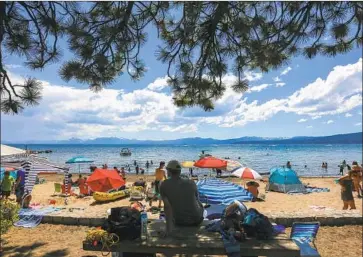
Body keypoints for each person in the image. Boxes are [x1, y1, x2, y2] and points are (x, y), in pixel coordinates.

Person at [160, 160, 204, 236]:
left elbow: (167, 207)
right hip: (197, 220)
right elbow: (197, 200)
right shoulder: (191, 182)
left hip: (179, 221)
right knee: (200, 204)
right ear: (180, 171)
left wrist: (168, 230)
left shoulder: (163, 185)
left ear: (169, 171)